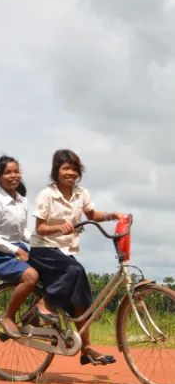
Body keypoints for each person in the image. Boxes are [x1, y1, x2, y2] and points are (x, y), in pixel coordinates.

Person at [30, 149, 128, 365]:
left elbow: (92, 215)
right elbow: (40, 228)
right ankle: (43, 304)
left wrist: (114, 215)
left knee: (82, 296)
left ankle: (86, 348)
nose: (71, 173)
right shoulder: (47, 195)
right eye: (66, 168)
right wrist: (58, 228)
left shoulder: (82, 193)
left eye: (74, 169)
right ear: (57, 171)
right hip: (43, 250)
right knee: (76, 271)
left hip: (66, 253)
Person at [0, 155, 55, 339]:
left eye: (16, 171)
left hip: (19, 250)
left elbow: (23, 232)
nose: (13, 175)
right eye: (8, 172)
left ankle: (32, 316)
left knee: (53, 269)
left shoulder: (22, 201)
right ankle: (8, 316)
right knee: (31, 276)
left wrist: (42, 242)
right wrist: (17, 249)